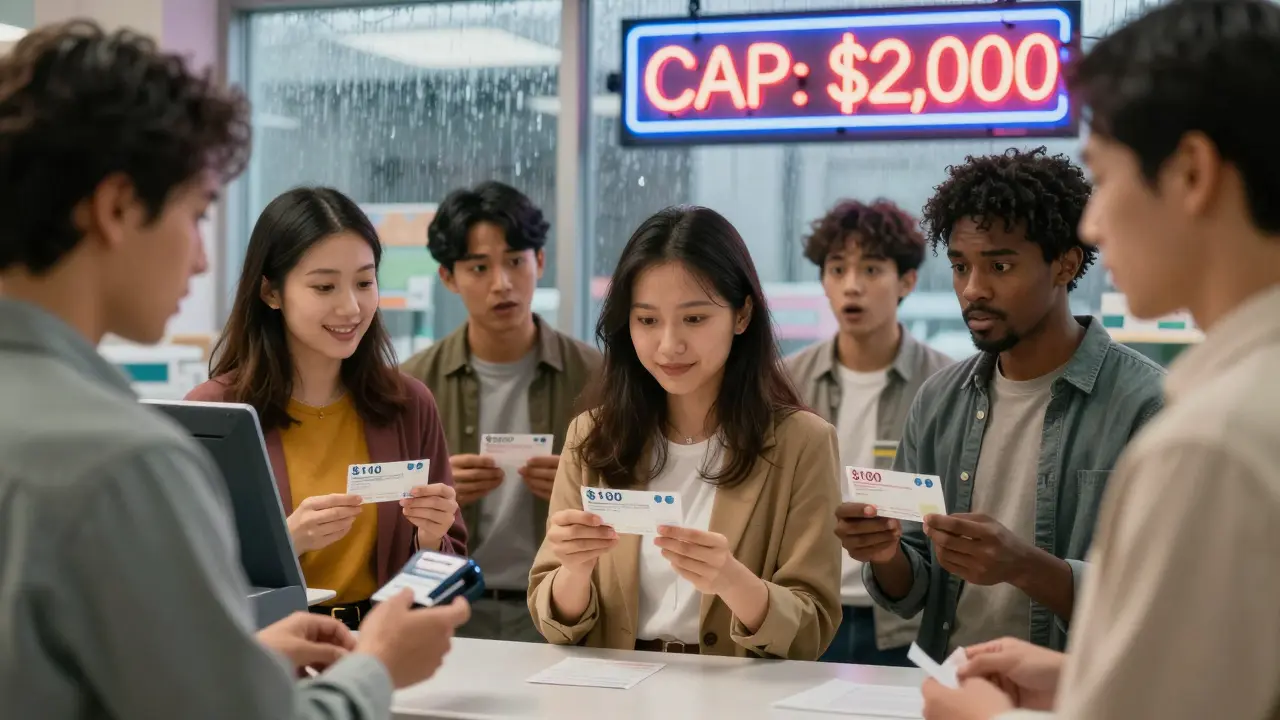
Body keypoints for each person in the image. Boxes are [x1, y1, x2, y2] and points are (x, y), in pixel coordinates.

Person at [0, 21, 468, 719]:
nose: (200, 259)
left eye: (365, 282)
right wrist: (373, 671)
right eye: (196, 213)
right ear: (118, 207)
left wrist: (237, 658)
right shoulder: (125, 459)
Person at [920, 0, 1280, 717]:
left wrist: (991, 717)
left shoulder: (1214, 441)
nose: (1092, 223)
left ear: (1190, 173)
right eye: (960, 264)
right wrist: (1083, 677)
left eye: (1105, 175)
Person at [837, 147, 1167, 662]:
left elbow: (1160, 601)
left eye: (1000, 265)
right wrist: (884, 555)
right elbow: (912, 588)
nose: (973, 289)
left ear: (1065, 263)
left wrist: (1023, 566)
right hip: (947, 687)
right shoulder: (939, 401)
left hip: (1073, 697)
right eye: (960, 266)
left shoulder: (1146, 406)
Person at [527, 206, 843, 659]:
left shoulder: (803, 442)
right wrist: (575, 572)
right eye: (647, 320)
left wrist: (732, 581)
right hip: (612, 694)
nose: (669, 344)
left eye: (694, 319)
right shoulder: (592, 435)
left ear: (742, 315)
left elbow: (813, 627)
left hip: (733, 697)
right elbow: (552, 621)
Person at [188, 186, 467, 630]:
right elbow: (186, 580)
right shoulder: (215, 414)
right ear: (270, 292)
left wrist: (429, 539)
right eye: (324, 286)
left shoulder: (409, 405)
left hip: (382, 651)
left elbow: (450, 578)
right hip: (267, 656)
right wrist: (287, 543)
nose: (351, 307)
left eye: (364, 281)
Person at [401, 181, 599, 641]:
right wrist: (430, 500)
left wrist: (584, 491)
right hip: (447, 608)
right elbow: (379, 517)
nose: (502, 283)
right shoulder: (411, 385)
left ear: (540, 262)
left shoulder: (599, 378)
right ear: (448, 277)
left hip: (564, 611)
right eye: (479, 267)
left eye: (515, 261)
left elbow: (644, 494)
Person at [787, 198, 953, 666]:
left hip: (907, 622)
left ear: (907, 281)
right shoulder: (785, 383)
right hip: (810, 613)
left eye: (872, 270)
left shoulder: (945, 387)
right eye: (837, 270)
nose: (852, 286)